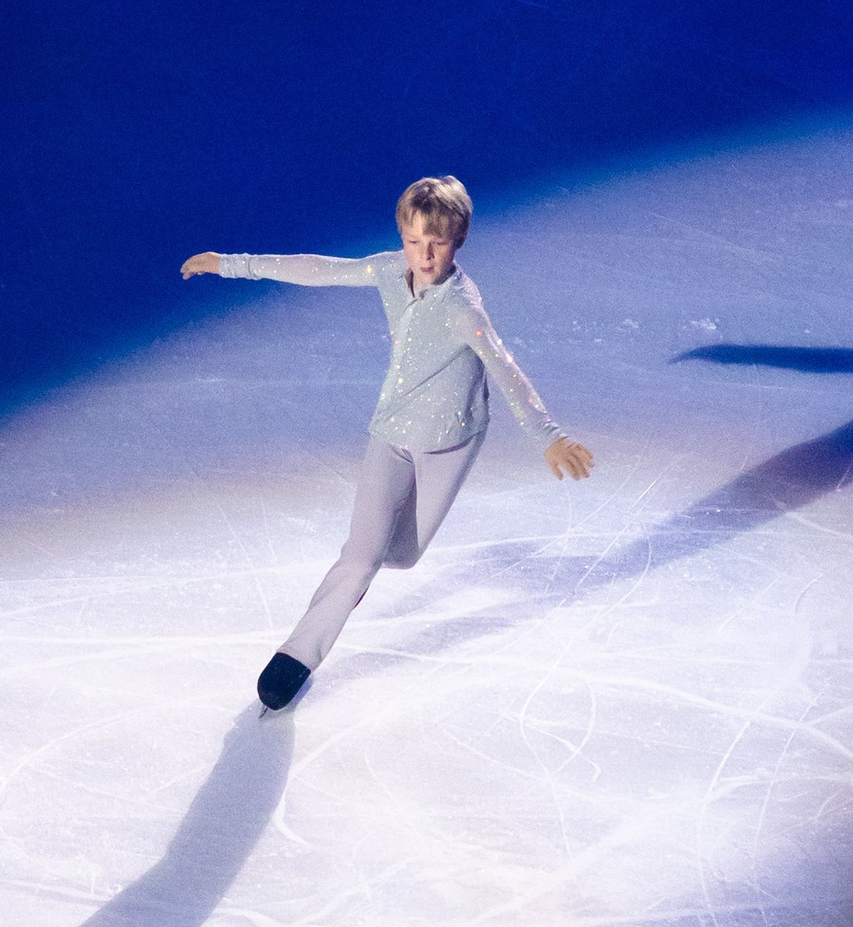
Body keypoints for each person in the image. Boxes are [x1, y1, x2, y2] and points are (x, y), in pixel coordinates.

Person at [181, 175, 593, 709]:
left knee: (402, 555)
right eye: (414, 239)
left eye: (437, 242)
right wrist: (231, 263)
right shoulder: (388, 270)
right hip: (393, 431)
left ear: (458, 240)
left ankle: (373, 562)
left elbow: (504, 367)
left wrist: (549, 436)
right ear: (402, 236)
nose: (424, 253)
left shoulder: (462, 308)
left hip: (450, 439)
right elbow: (320, 270)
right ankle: (297, 656)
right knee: (360, 554)